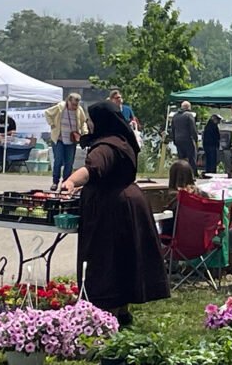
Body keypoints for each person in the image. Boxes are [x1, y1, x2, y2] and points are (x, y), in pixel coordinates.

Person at [60, 101, 169, 325]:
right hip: (127, 203)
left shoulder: (106, 146)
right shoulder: (122, 139)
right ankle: (122, 311)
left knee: (107, 260)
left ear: (101, 121)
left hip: (113, 211)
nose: (88, 124)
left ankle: (106, 316)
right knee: (124, 258)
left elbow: (92, 168)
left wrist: (70, 181)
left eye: (91, 120)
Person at [45, 93, 89, 191]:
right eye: (73, 104)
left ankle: (66, 183)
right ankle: (55, 182)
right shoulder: (60, 107)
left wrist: (85, 132)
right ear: (68, 101)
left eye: (76, 104)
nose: (75, 107)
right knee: (58, 160)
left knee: (69, 163)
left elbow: (83, 122)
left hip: (72, 140)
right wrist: (52, 124)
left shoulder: (79, 110)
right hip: (59, 139)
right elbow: (47, 113)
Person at [160, 159, 206, 235]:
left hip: (178, 239)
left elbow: (166, 228)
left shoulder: (175, 200)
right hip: (201, 238)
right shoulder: (202, 196)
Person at [170, 101, 198, 174]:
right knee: (192, 157)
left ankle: (181, 174)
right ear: (188, 107)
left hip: (178, 140)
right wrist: (196, 139)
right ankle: (192, 174)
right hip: (187, 139)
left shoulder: (175, 116)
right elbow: (193, 129)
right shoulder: (189, 115)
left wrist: (174, 140)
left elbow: (172, 129)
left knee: (181, 159)